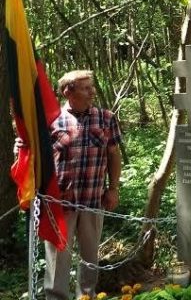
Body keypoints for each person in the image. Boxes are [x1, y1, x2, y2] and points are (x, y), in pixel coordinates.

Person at [42, 71, 123, 300]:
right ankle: (56, 298)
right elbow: (32, 152)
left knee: (90, 257)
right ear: (68, 91)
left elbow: (114, 154)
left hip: (93, 199)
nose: (92, 92)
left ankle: (86, 296)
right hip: (60, 202)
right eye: (86, 88)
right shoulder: (51, 119)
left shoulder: (105, 118)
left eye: (92, 87)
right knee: (58, 258)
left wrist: (113, 188)